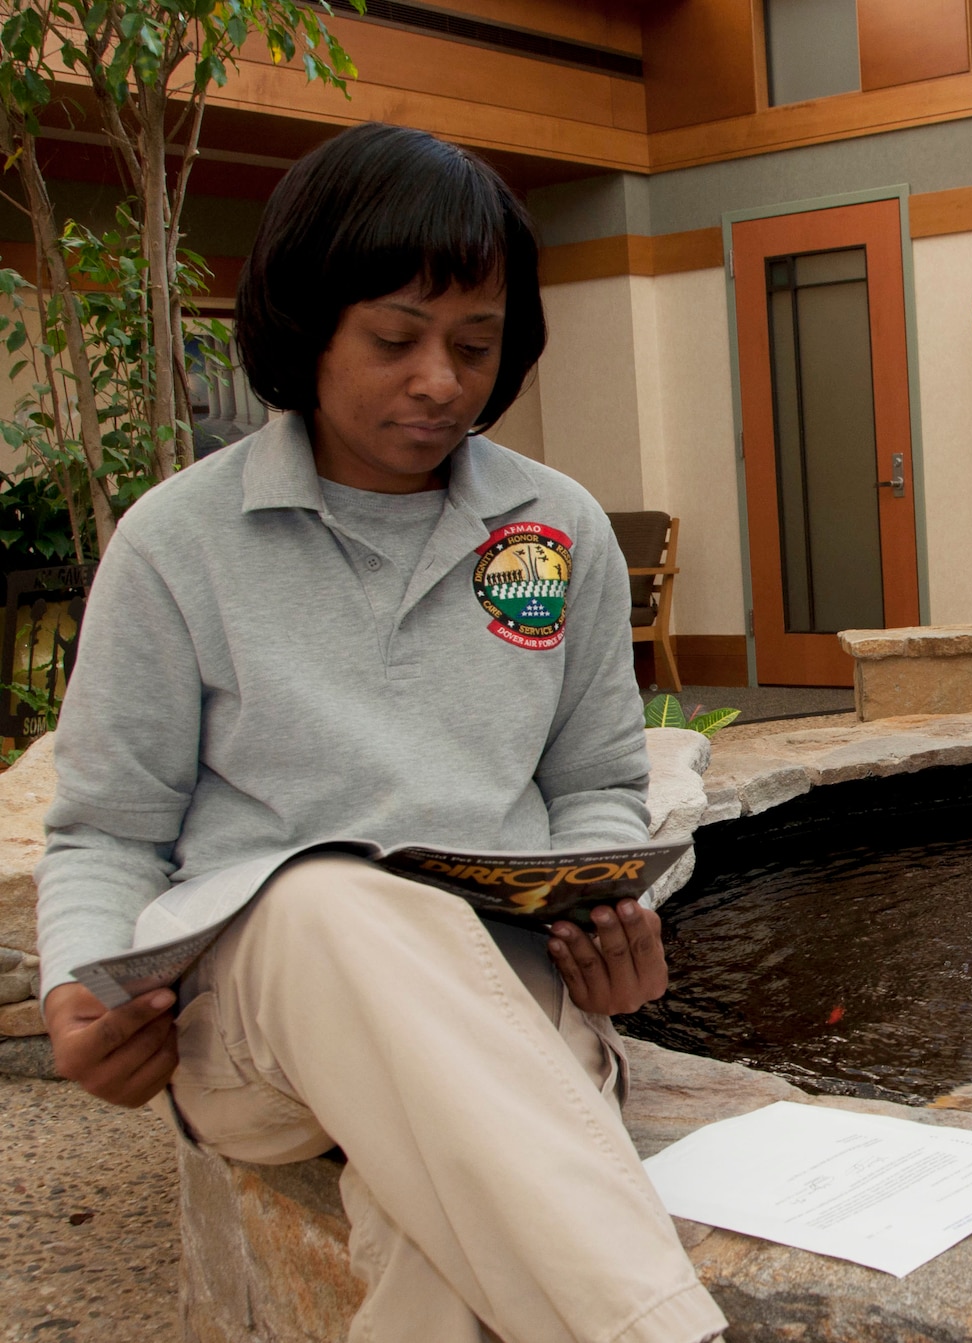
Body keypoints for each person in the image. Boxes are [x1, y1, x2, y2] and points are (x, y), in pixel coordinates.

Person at [34, 122, 728, 1343]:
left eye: (475, 344)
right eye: (395, 339)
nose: (440, 382)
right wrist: (76, 992)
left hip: (504, 996)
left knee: (437, 1236)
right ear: (308, 328)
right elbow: (107, 828)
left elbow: (595, 784)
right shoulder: (176, 542)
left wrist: (612, 916)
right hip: (255, 1025)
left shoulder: (555, 527)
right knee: (326, 897)